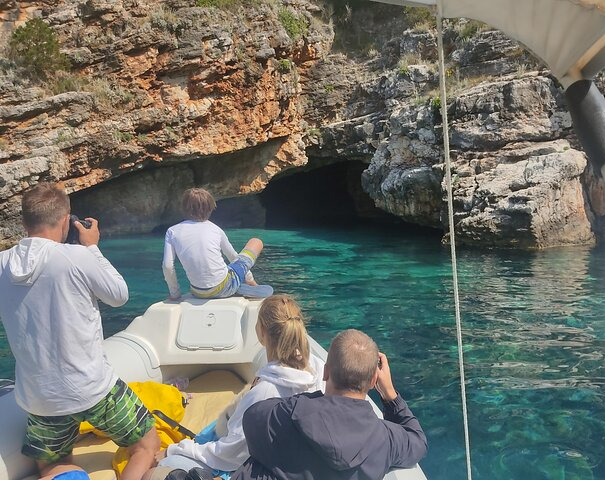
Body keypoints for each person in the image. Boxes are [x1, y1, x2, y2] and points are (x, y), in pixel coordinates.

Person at [0, 183, 160, 480]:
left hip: (41, 399)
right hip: (94, 390)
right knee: (146, 446)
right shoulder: (76, 256)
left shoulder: (1, 265)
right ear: (66, 221)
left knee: (51, 465)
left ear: (23, 222)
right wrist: (92, 246)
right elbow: (119, 295)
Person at [149, 295, 325, 479]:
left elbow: (230, 454)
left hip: (258, 467)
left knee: (157, 470)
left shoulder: (263, 394)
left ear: (262, 332)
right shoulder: (318, 370)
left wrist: (174, 450)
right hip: (296, 464)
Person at [233, 329, 428, 480]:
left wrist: (305, 400)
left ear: (325, 373)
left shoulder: (289, 415)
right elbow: (418, 441)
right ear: (373, 381)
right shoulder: (386, 439)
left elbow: (251, 419)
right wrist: (390, 394)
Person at [162, 188, 272, 300]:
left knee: (228, 270)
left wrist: (175, 294)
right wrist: (250, 280)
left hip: (198, 291)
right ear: (210, 209)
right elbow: (233, 257)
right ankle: (246, 286)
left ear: (184, 208)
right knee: (256, 242)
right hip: (225, 286)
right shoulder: (215, 229)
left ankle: (235, 286)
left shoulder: (172, 231)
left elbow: (167, 266)